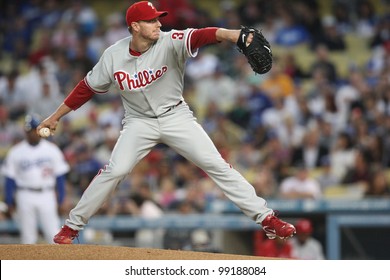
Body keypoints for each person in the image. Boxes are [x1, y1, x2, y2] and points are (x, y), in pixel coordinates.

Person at [37, 1, 296, 244]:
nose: (159, 25)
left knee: (217, 164)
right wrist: (55, 116)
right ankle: (71, 227)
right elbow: (86, 88)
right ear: (135, 27)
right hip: (139, 122)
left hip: (176, 115)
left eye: (158, 20)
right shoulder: (113, 55)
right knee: (114, 171)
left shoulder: (169, 41)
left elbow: (203, 35)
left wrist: (234, 35)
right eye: (151, 21)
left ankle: (267, 219)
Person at [1, 114, 70, 244]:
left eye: (34, 129)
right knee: (28, 238)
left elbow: (60, 177)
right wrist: (8, 202)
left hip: (47, 194)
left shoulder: (51, 150)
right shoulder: (16, 151)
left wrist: (62, 199)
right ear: (25, 132)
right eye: (29, 130)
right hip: (24, 194)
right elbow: (10, 179)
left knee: (53, 234)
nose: (32, 133)